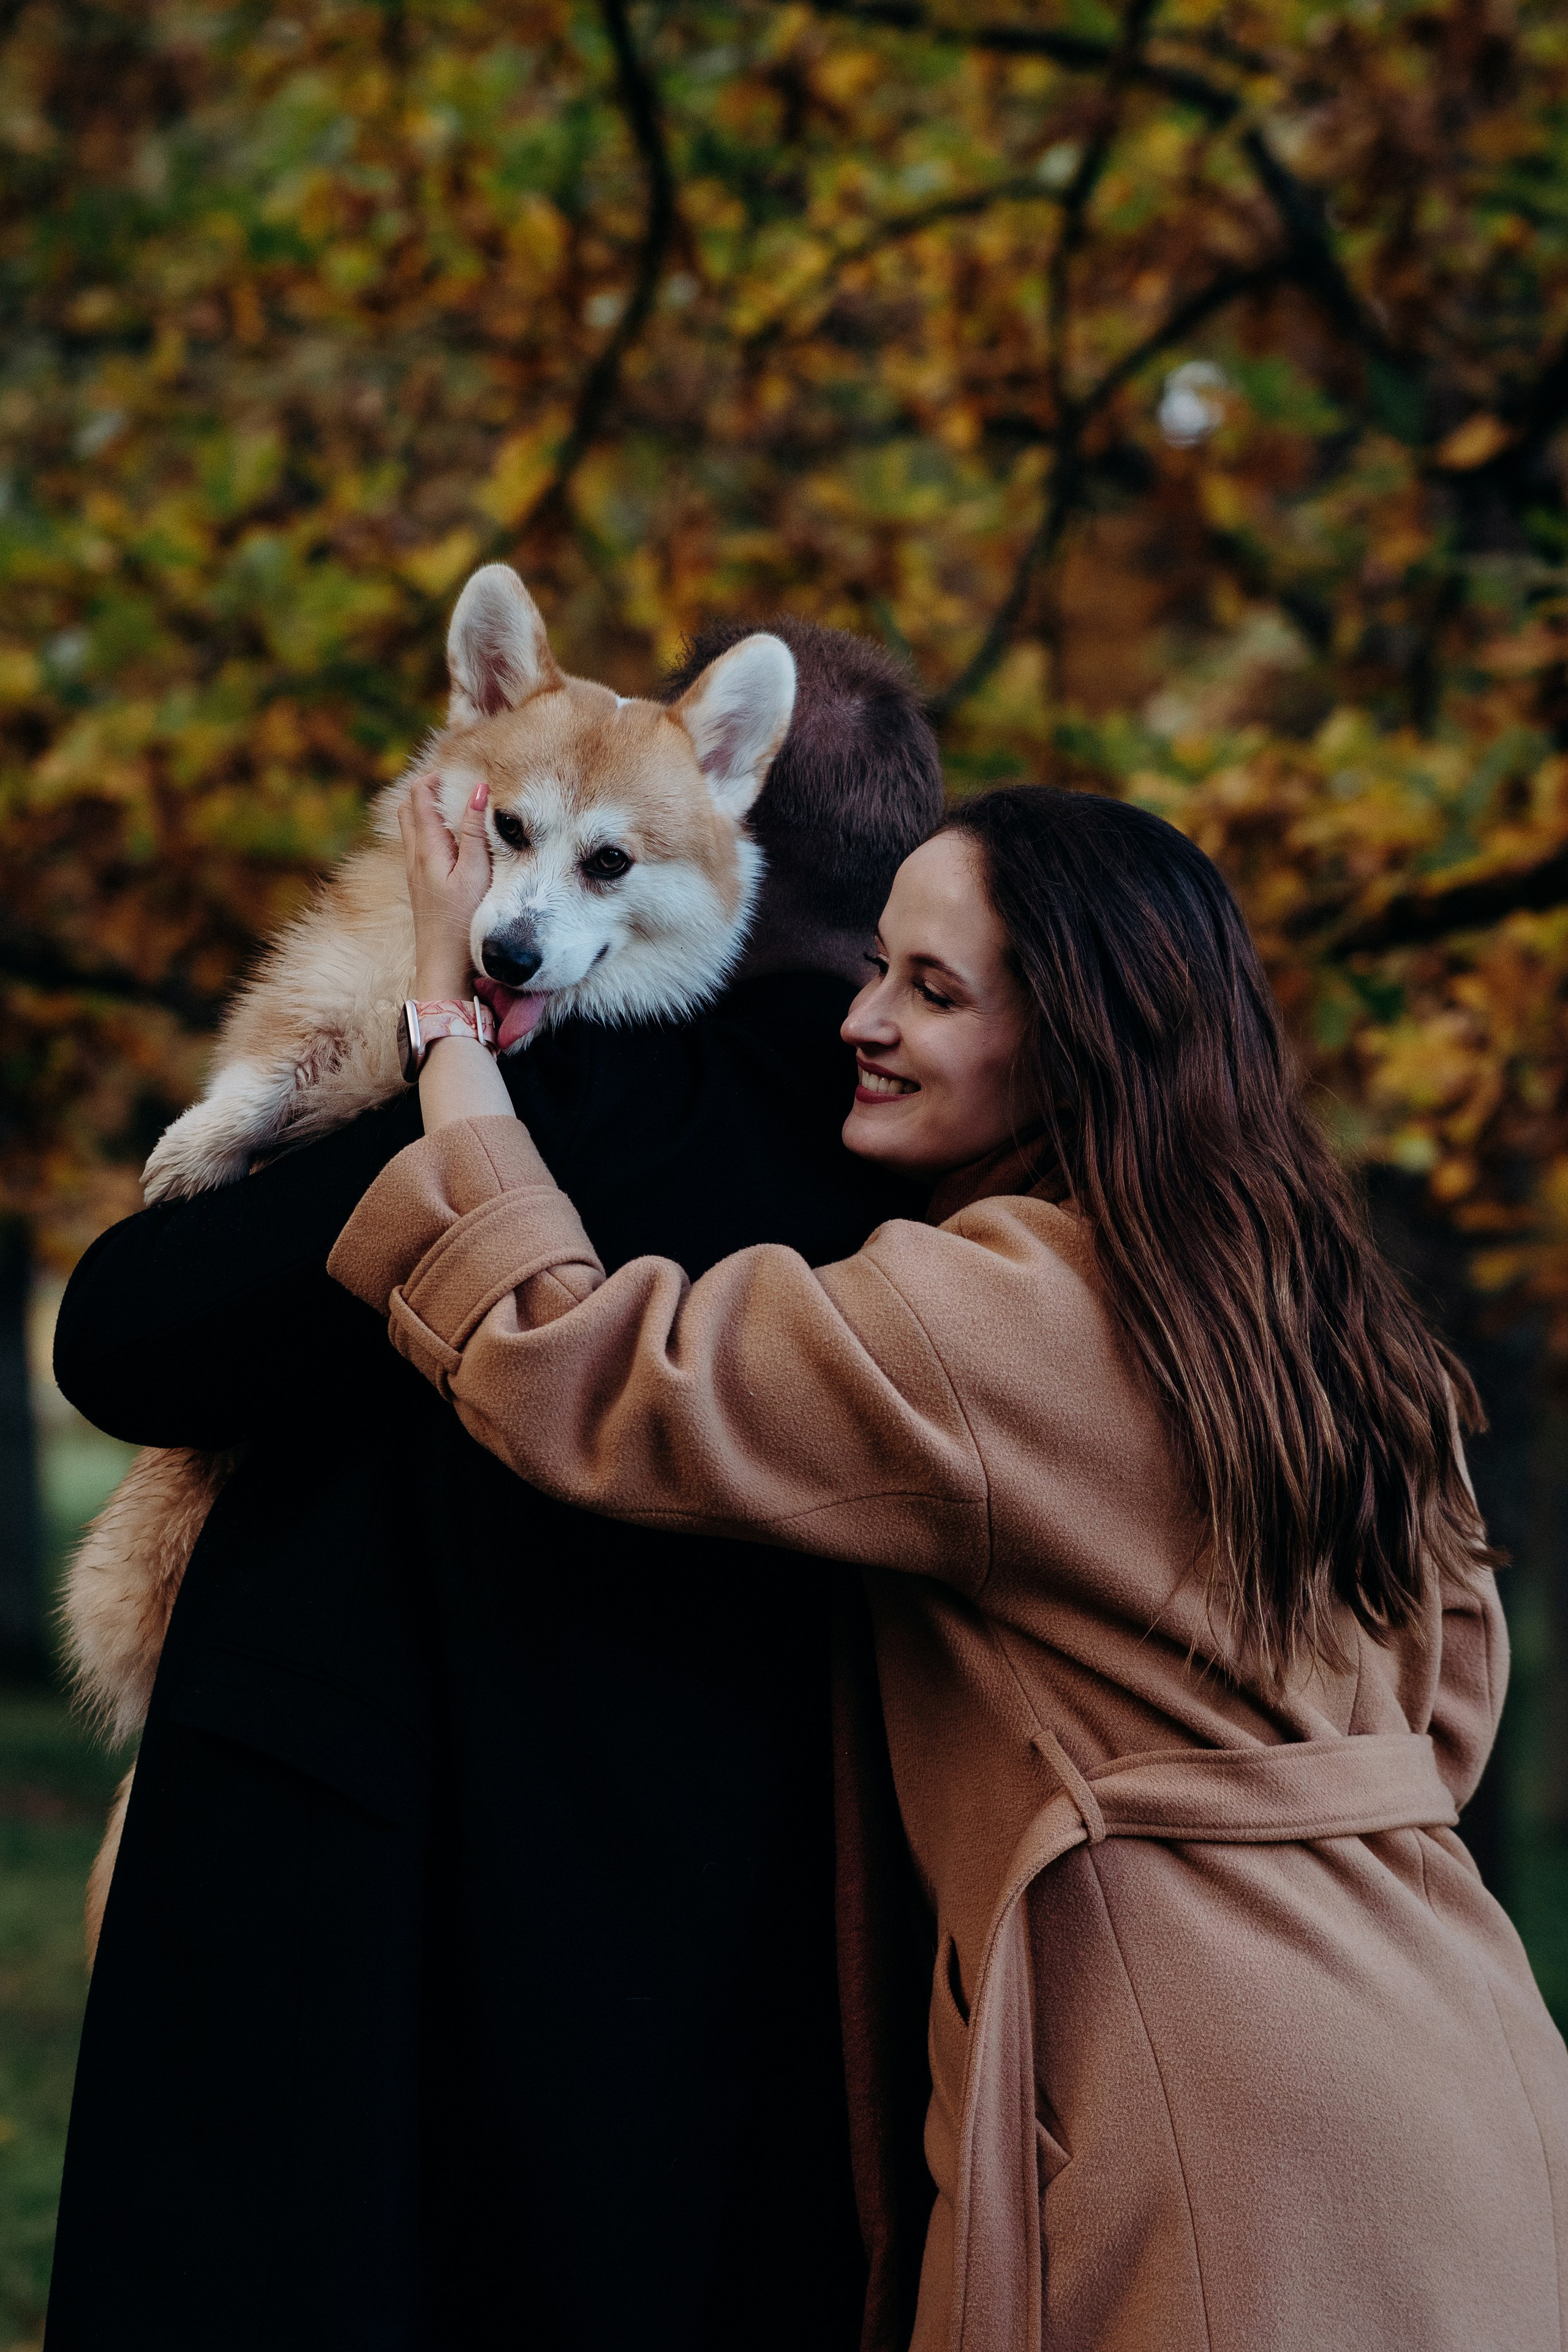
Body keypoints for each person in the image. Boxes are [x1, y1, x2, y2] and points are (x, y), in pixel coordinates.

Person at [334, 774, 1568, 2352]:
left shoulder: (991, 1311)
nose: (863, 1019)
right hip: (1461, 2051)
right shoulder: (1336, 1321)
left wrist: (449, 1033)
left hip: (1197, 2111)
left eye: (932, 990)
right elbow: (1451, 1710)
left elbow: (573, 1361)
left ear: (1077, 1040)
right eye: (876, 967)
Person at [45, 620, 943, 2352]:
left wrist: (437, 1029)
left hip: (338, 1926)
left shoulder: (562, 1096)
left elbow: (132, 1334)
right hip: (717, 1954)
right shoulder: (944, 1191)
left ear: (729, 820)